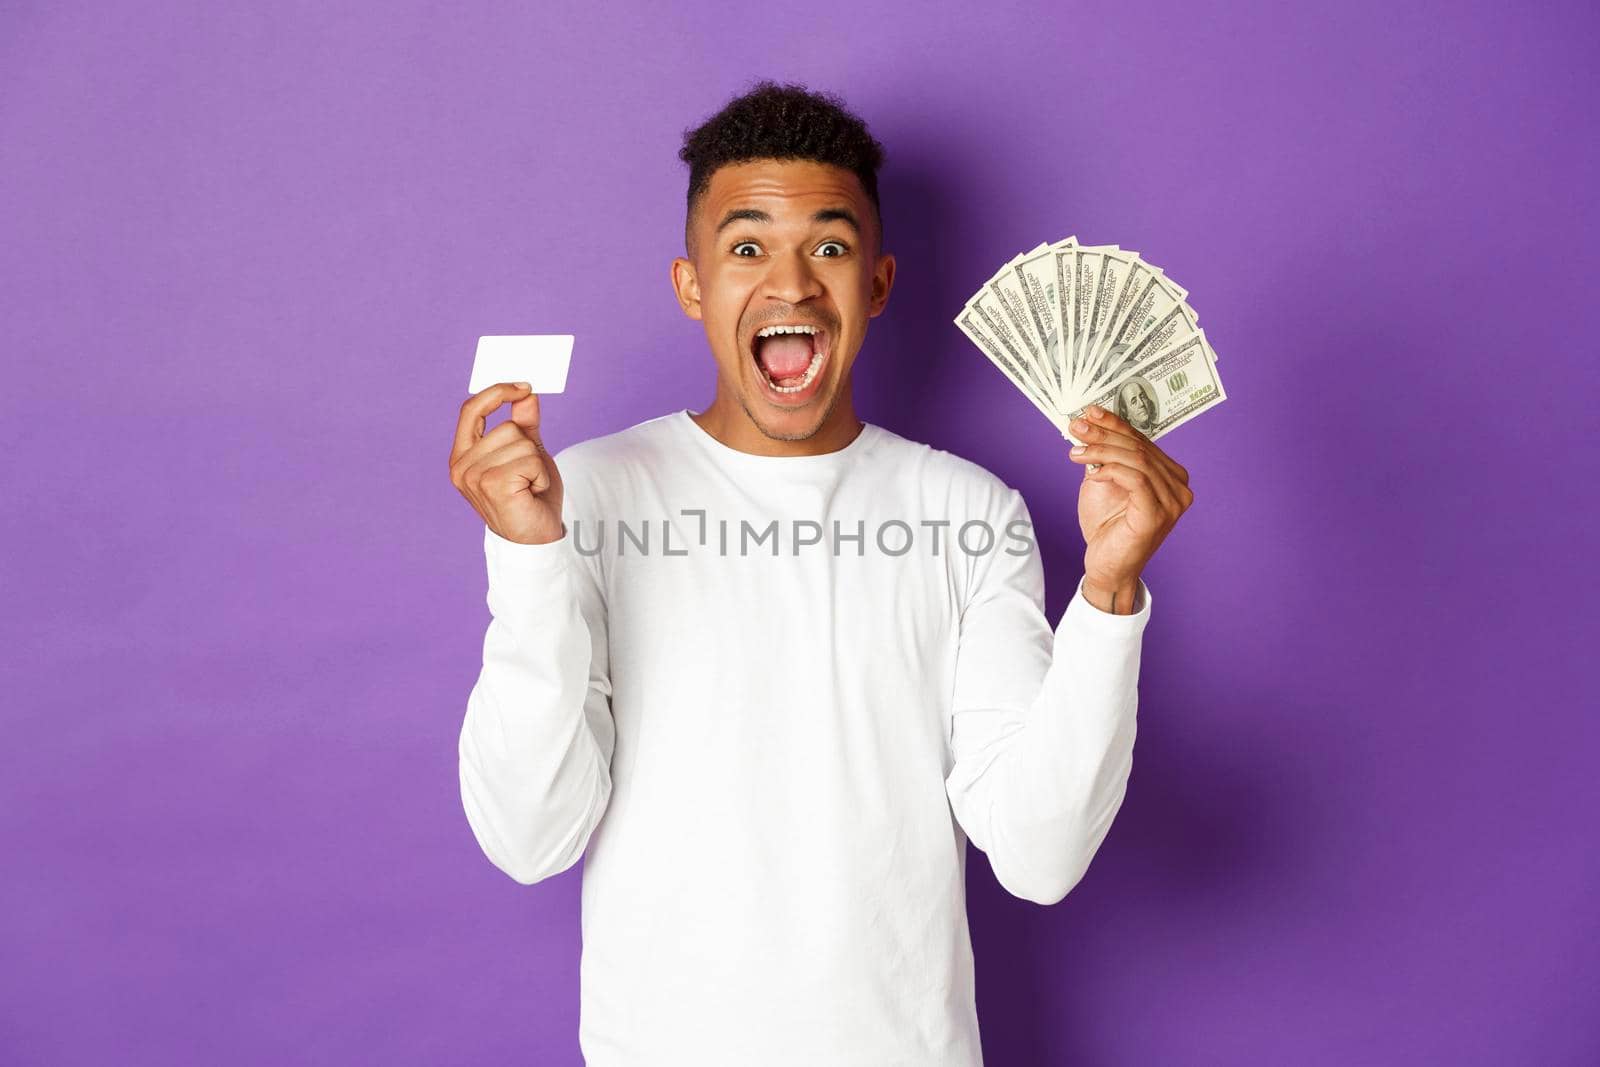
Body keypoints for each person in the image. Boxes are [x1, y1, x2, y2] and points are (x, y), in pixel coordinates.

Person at [448, 81, 1194, 1066]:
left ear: (876, 285)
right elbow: (528, 837)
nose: (792, 285)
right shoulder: (577, 496)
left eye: (829, 247)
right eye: (747, 246)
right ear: (691, 285)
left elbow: (1040, 854)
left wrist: (1108, 594)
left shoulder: (969, 512)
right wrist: (530, 557)